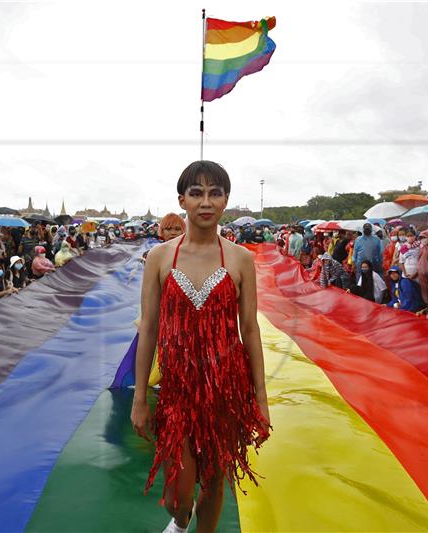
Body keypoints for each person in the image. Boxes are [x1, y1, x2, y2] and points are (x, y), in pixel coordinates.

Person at [131, 161, 270, 533]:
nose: (205, 202)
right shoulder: (160, 257)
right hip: (177, 392)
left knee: (213, 480)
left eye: (215, 193)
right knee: (179, 495)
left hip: (226, 390)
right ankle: (180, 522)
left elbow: (250, 331)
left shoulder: (241, 259)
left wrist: (260, 400)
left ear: (225, 200)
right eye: (196, 193)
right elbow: (148, 328)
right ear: (182, 200)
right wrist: (140, 396)